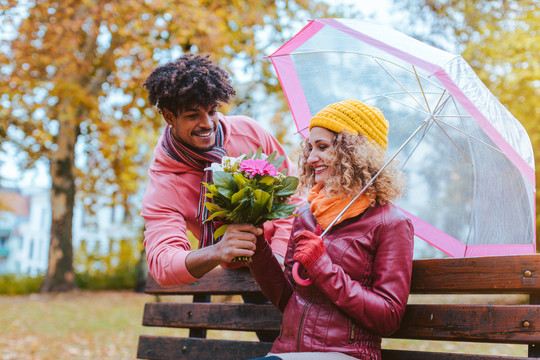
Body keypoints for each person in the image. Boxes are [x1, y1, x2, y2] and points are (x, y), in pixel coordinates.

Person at [140, 54, 302, 323]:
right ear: (169, 116)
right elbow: (162, 262)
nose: (207, 123)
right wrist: (217, 251)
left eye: (212, 111)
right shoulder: (165, 181)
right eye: (193, 115)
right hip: (251, 280)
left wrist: (277, 256)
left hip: (298, 255)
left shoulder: (248, 133)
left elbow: (294, 194)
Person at [248, 99, 415, 360]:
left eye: (322, 147)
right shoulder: (306, 214)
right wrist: (258, 249)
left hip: (348, 355)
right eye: (311, 147)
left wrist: (323, 269)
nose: (312, 158)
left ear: (355, 153)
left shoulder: (390, 223)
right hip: (285, 353)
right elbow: (289, 300)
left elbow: (389, 317)